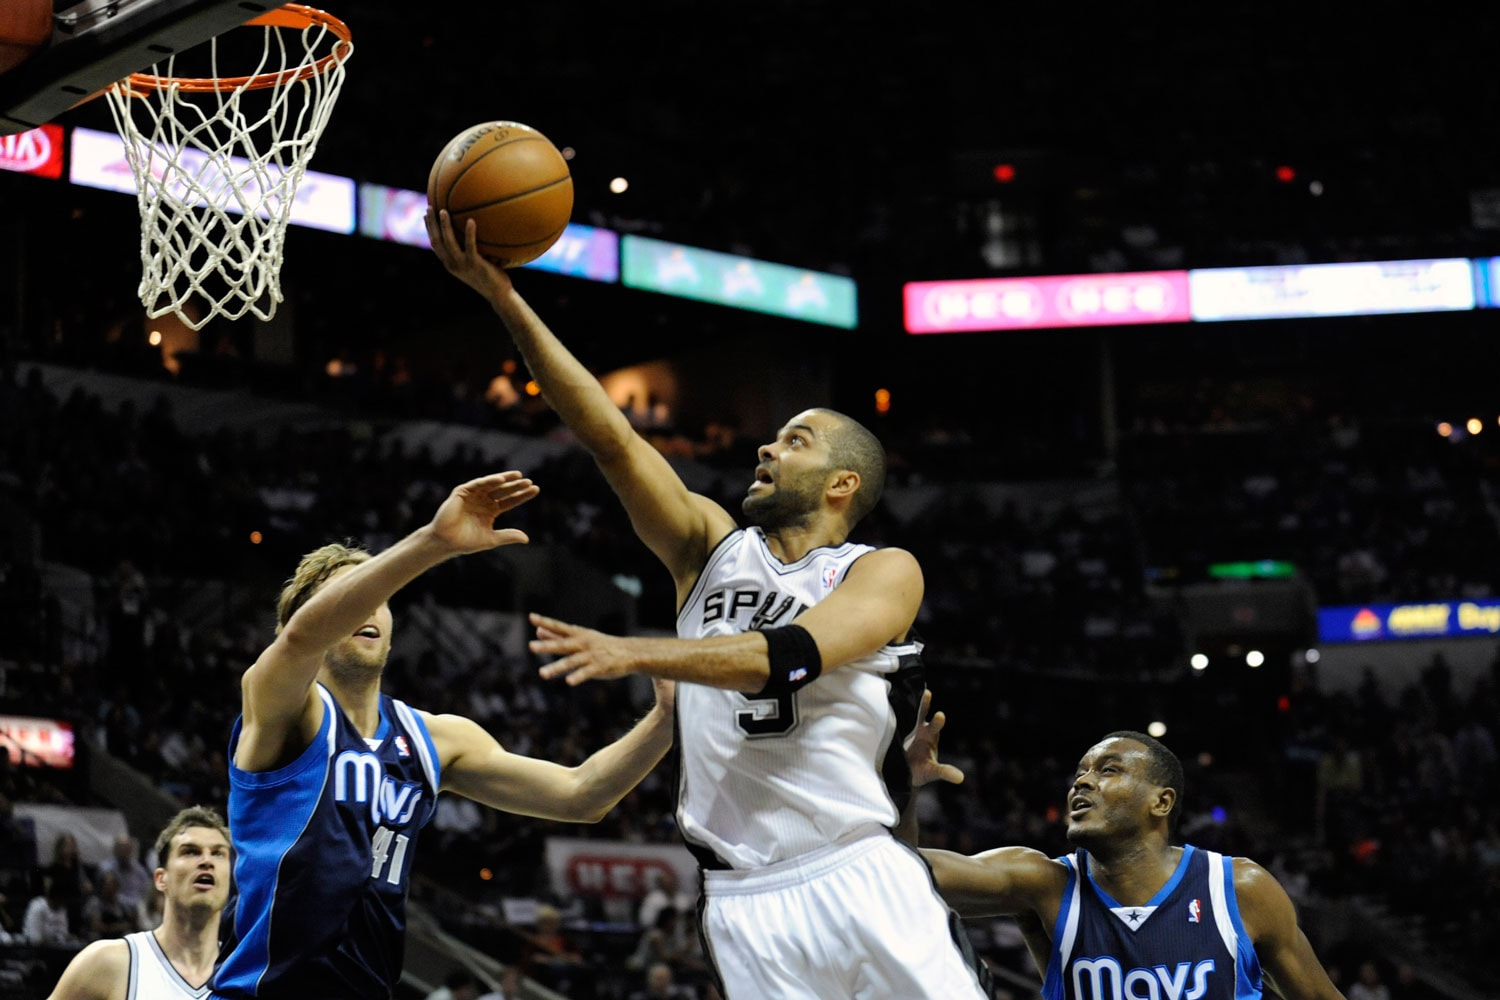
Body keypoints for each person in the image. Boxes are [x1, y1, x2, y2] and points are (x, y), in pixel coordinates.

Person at [431, 213, 988, 1000]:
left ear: (843, 484)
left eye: (795, 440)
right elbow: (609, 437)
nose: (766, 447)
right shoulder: (707, 547)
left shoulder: (883, 570)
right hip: (741, 897)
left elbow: (787, 657)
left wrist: (637, 652)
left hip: (861, 868)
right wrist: (503, 296)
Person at [209, 471, 675, 1000]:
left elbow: (581, 795)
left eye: (379, 598)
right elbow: (299, 639)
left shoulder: (437, 739)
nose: (368, 607)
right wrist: (434, 543)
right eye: (347, 596)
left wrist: (665, 720)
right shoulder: (279, 708)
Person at [902, 701, 1348, 1000]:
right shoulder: (1044, 883)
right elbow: (896, 873)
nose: (1082, 781)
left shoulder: (1239, 888)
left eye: (1108, 770)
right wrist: (898, 785)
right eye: (1079, 772)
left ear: (1162, 801)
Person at [45, 805, 232, 1000]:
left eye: (218, 853)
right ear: (161, 879)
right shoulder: (107, 963)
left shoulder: (247, 973)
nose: (206, 861)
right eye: (191, 851)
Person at [96, 834, 154, 913]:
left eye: (127, 849)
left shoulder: (139, 869)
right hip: (116, 907)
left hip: (139, 908)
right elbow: (107, 894)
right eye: (122, 849)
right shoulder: (106, 868)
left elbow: (147, 889)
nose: (124, 852)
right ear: (115, 850)